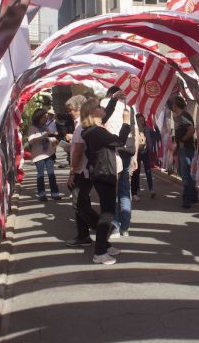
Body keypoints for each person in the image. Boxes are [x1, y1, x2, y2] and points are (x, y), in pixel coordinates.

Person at [81, 98, 131, 265]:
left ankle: (105, 245)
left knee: (107, 212)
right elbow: (119, 141)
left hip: (101, 173)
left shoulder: (90, 130)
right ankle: (100, 252)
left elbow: (106, 113)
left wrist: (115, 98)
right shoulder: (96, 132)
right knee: (107, 213)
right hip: (104, 174)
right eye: (100, 107)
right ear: (94, 111)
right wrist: (126, 122)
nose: (104, 109)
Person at [65, 94, 119, 248]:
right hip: (91, 170)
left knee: (80, 204)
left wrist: (72, 171)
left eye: (70, 110)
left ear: (80, 109)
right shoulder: (86, 126)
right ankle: (87, 235)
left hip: (85, 170)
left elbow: (78, 151)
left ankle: (100, 233)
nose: (69, 113)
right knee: (82, 203)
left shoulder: (82, 126)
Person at [101, 86, 136, 238]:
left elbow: (101, 121)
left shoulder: (104, 102)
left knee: (112, 191)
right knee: (124, 191)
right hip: (128, 151)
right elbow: (134, 131)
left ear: (110, 94)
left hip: (113, 149)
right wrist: (135, 157)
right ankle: (125, 227)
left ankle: (114, 225)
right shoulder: (130, 107)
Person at [171, 96, 198, 208]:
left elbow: (191, 130)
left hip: (185, 148)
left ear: (176, 105)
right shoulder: (180, 116)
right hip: (184, 148)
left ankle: (187, 199)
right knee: (187, 173)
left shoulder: (183, 116)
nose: (172, 106)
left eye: (173, 104)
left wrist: (182, 140)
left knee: (185, 174)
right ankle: (193, 196)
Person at [27, 108, 60, 201]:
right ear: (37, 117)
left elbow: (47, 139)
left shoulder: (45, 126)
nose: (45, 119)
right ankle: (42, 194)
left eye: (46, 117)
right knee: (40, 174)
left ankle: (55, 193)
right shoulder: (32, 128)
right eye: (43, 117)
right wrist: (43, 136)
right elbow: (31, 141)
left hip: (48, 153)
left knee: (51, 174)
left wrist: (54, 141)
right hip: (39, 155)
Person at [131, 113, 156, 200]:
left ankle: (151, 190)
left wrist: (151, 149)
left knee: (148, 171)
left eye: (143, 120)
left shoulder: (147, 128)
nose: (142, 122)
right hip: (137, 153)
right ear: (136, 120)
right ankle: (137, 190)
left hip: (145, 152)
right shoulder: (134, 129)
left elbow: (154, 136)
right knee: (136, 172)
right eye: (140, 120)